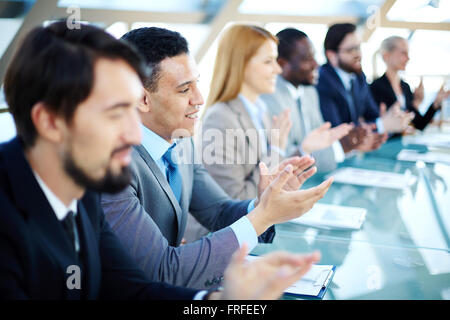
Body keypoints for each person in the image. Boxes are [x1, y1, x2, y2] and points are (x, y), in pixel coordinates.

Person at [0, 21, 321, 300]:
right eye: (115, 113)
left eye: (131, 108)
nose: (132, 132)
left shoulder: (80, 191)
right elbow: (158, 272)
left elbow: (133, 290)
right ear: (51, 122)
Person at [101, 27, 333, 290]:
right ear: (142, 99)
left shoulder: (181, 139)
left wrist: (262, 203)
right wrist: (264, 216)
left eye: (197, 83)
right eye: (184, 89)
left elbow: (218, 210)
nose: (199, 99)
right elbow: (163, 269)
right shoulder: (111, 167)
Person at [201, 24, 332, 201]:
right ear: (242, 64)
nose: (278, 70)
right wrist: (276, 148)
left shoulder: (260, 112)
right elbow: (233, 200)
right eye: (268, 61)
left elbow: (268, 179)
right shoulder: (220, 118)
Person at [261, 28, 352, 173]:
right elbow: (286, 159)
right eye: (307, 59)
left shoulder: (310, 91)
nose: (316, 64)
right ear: (282, 64)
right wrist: (338, 148)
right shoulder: (269, 98)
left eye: (314, 57)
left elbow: (321, 140)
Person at [316, 23, 414, 151]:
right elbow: (336, 130)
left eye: (358, 47)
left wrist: (390, 119)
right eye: (351, 50)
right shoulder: (322, 81)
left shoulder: (359, 77)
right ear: (331, 55)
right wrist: (382, 124)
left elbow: (372, 115)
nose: (358, 54)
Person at [370, 36, 450, 131]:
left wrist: (436, 103)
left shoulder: (405, 87)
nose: (408, 58)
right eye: (403, 53)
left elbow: (420, 123)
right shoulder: (374, 88)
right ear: (386, 56)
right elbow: (374, 124)